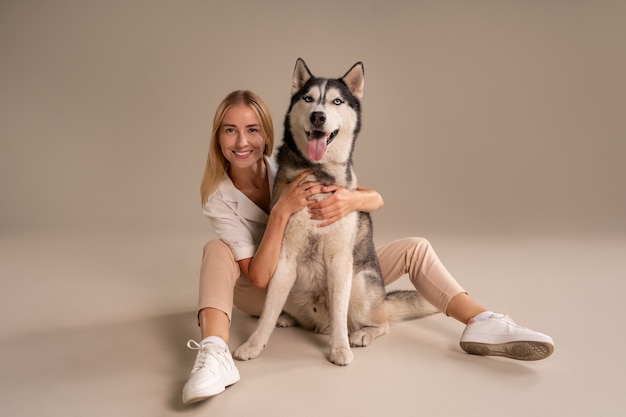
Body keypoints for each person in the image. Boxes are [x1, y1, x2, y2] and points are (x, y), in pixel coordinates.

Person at [182, 90, 555, 404]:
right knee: (216, 249)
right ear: (218, 138)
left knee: (415, 247)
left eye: (251, 130)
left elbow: (374, 199)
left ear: (266, 136)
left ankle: (482, 322)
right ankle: (216, 353)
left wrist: (349, 200)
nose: (242, 142)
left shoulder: (287, 165)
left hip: (316, 273)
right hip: (264, 291)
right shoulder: (219, 199)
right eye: (230, 131)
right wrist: (281, 212)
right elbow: (261, 276)